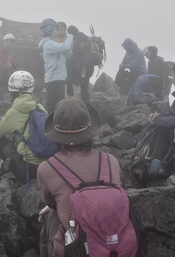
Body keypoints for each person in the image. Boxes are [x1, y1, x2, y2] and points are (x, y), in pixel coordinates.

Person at [37, 99, 122, 257]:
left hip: (78, 247)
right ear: (90, 129)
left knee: (51, 218)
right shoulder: (111, 161)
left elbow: (50, 202)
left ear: (56, 133)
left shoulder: (47, 168)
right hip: (113, 242)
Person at [0, 70, 49, 182]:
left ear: (12, 91)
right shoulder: (39, 107)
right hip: (49, 165)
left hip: (30, 169)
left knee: (0, 142)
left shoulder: (14, 111)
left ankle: (12, 170)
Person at [39, 19, 74, 113]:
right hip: (54, 79)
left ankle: (51, 126)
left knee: (55, 107)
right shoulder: (48, 43)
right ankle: (53, 126)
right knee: (56, 108)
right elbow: (64, 47)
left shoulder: (53, 43)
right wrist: (71, 35)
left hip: (57, 79)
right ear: (49, 30)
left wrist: (69, 46)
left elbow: (66, 54)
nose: (57, 32)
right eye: (55, 29)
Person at [65, 26, 94, 102]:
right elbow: (69, 68)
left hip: (80, 77)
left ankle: (85, 107)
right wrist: (69, 84)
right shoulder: (74, 53)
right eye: (83, 43)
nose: (84, 44)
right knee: (82, 92)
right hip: (78, 78)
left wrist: (82, 77)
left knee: (82, 91)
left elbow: (82, 65)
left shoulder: (78, 51)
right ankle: (86, 107)